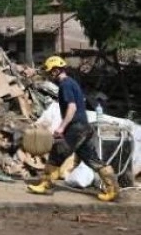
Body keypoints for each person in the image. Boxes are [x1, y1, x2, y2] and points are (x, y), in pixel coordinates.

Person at [27, 56, 120, 201]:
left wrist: (61, 127)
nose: (50, 75)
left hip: (76, 128)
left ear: (56, 71)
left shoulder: (65, 85)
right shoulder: (72, 83)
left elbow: (72, 107)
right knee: (92, 159)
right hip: (84, 127)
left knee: (57, 152)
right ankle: (113, 190)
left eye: (50, 72)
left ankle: (45, 184)